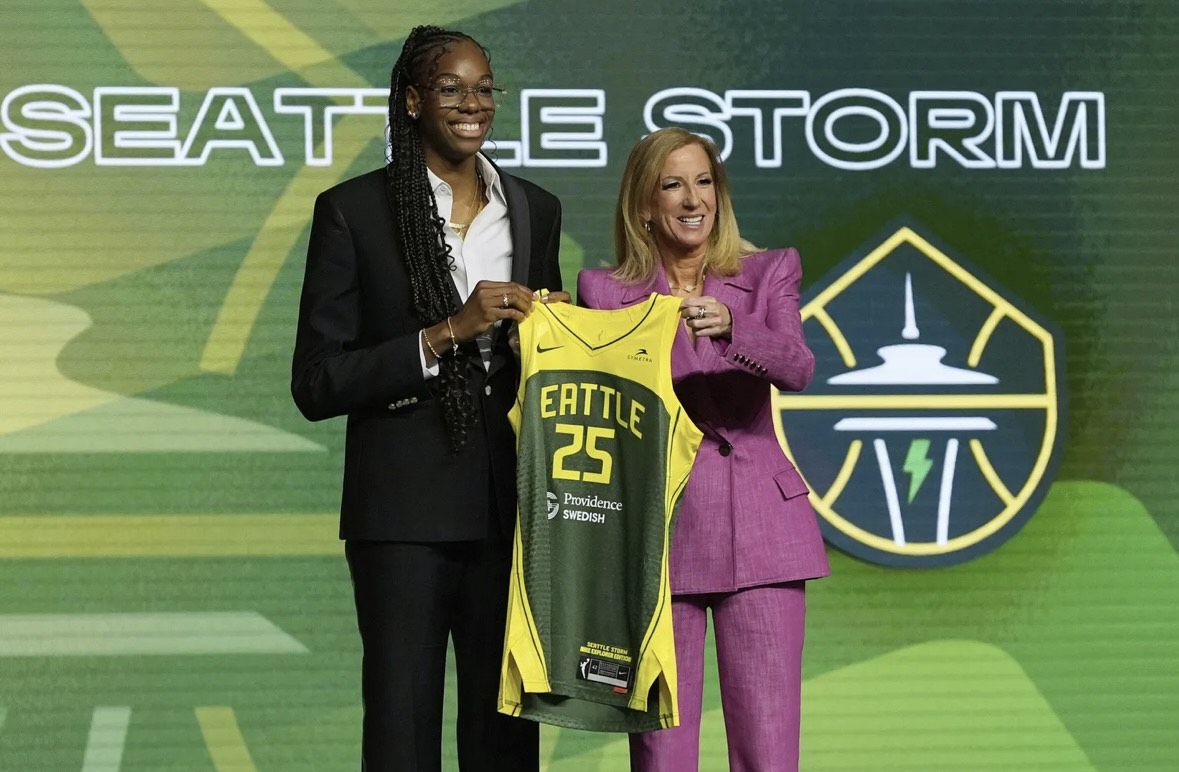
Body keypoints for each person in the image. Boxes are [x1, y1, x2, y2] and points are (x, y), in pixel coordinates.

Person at [290, 25, 565, 772]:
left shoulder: (534, 209)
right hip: (401, 511)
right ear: (412, 101)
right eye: (451, 89)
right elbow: (316, 381)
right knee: (402, 726)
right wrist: (445, 333)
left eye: (484, 89)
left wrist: (555, 335)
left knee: (506, 731)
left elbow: (546, 359)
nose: (473, 104)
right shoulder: (353, 211)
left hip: (509, 505)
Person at [577, 127, 830, 771]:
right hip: (657, 537)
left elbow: (798, 367)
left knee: (768, 751)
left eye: (704, 182)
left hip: (763, 532)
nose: (693, 200)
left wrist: (735, 328)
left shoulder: (769, 271)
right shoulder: (602, 292)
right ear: (644, 205)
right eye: (673, 185)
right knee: (661, 756)